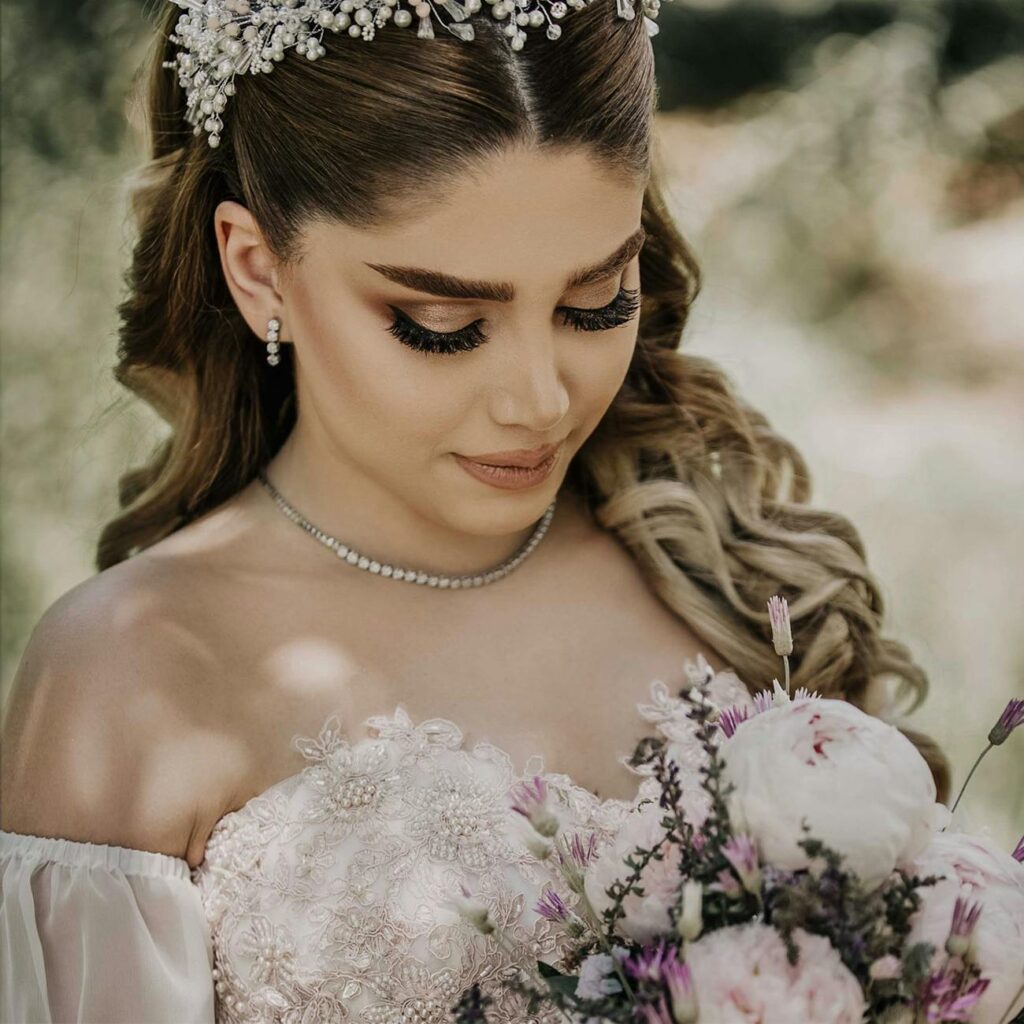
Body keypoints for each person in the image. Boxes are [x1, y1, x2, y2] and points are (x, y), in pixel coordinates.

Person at [0, 0, 950, 1019]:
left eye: (595, 301)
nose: (540, 398)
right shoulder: (138, 671)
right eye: (441, 323)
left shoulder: (724, 576)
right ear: (256, 268)